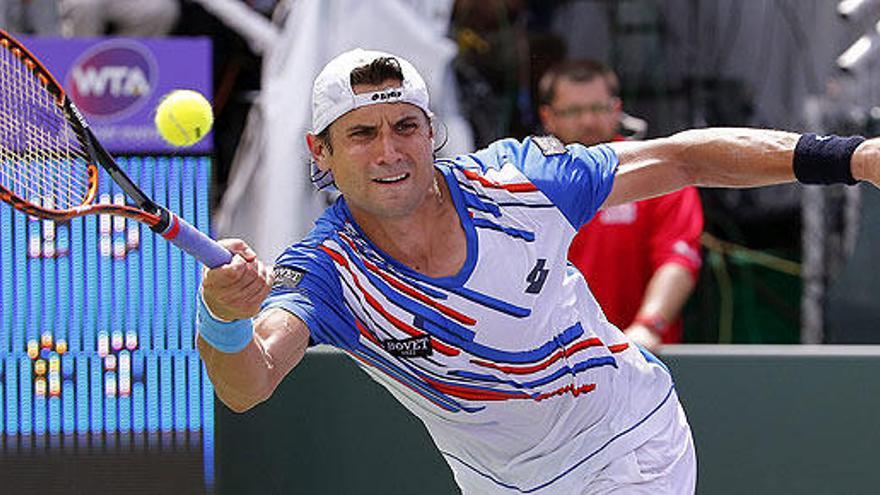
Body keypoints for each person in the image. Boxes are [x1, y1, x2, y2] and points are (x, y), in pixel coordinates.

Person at [196, 49, 880, 494]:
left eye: (405, 125)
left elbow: (681, 159)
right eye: (362, 133)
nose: (389, 150)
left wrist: (851, 157)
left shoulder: (521, 180)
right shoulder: (323, 272)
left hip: (629, 445)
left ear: (431, 132)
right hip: (498, 484)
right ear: (322, 149)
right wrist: (222, 315)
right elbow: (248, 382)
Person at [538, 59, 703, 350]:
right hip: (547, 359)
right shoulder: (527, 181)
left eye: (598, 108)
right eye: (574, 111)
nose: (588, 121)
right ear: (548, 117)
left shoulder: (658, 176)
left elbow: (678, 261)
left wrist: (648, 326)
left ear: (616, 109)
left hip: (637, 356)